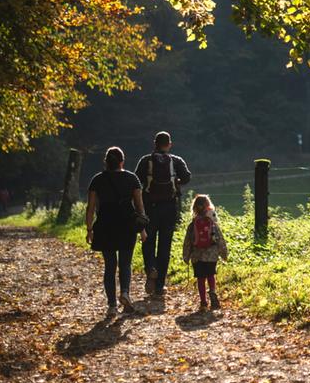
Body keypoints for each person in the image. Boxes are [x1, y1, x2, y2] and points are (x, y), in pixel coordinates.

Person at [84, 147, 146, 317]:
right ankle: (125, 292)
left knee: (110, 266)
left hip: (105, 226)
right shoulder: (132, 178)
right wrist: (142, 229)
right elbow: (140, 206)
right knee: (125, 263)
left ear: (106, 162)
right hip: (127, 226)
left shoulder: (97, 180)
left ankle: (112, 305)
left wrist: (89, 229)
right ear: (122, 161)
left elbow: (90, 208)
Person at [136, 131, 191, 299]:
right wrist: (176, 182)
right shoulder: (176, 160)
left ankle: (151, 268)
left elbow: (136, 181)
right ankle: (160, 286)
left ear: (155, 143)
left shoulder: (146, 161)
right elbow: (187, 177)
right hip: (169, 208)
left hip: (149, 208)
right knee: (165, 245)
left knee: (148, 241)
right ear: (169, 144)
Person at [181, 195, 229, 312]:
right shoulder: (212, 223)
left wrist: (186, 256)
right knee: (211, 275)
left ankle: (203, 302)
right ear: (209, 206)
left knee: (200, 278)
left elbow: (187, 242)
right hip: (211, 256)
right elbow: (219, 239)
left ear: (194, 208)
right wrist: (224, 254)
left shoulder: (193, 225)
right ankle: (212, 292)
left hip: (197, 256)